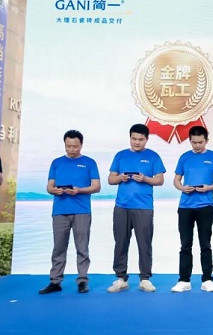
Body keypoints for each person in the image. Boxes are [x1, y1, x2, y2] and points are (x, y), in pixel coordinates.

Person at [39, 130, 101, 294]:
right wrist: (55, 191)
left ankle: (82, 281)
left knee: (82, 248)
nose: (72, 149)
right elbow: (49, 186)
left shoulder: (89, 162)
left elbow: (96, 186)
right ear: (65, 145)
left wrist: (79, 190)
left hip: (82, 211)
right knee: (58, 248)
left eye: (75, 146)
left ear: (81, 145)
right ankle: (55, 281)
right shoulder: (56, 163)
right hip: (60, 211)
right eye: (68, 146)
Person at [106, 123, 165, 293]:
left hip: (143, 207)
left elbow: (160, 180)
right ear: (130, 138)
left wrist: (145, 179)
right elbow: (110, 179)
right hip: (122, 206)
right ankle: (121, 278)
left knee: (144, 243)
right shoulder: (120, 156)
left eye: (140, 139)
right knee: (120, 242)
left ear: (146, 139)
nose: (137, 142)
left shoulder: (153, 156)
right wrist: (121, 178)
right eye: (134, 139)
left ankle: (145, 279)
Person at [171, 126, 213, 293]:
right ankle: (184, 280)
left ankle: (207, 279)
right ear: (190, 141)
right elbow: (176, 180)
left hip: (205, 206)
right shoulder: (185, 157)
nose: (197, 145)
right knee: (185, 244)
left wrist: (209, 187)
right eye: (194, 142)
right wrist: (182, 188)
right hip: (185, 206)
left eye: (200, 142)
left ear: (206, 141)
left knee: (205, 244)